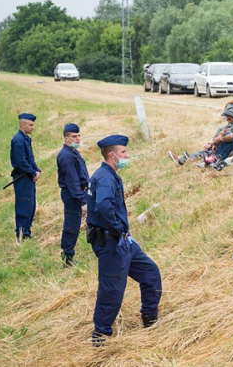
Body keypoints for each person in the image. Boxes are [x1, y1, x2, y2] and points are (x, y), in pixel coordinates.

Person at [87, 135, 162, 346]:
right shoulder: (104, 177)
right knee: (111, 291)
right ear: (112, 155)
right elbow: (102, 206)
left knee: (150, 273)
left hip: (123, 242)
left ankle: (150, 320)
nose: (126, 156)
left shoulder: (110, 175)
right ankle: (100, 338)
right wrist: (118, 228)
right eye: (123, 152)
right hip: (111, 244)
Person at [56, 123, 89, 266]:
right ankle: (67, 258)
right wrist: (82, 200)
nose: (77, 139)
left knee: (74, 225)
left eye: (79, 135)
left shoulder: (73, 152)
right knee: (71, 226)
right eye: (74, 136)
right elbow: (72, 181)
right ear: (66, 138)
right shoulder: (66, 156)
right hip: (72, 195)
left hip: (79, 192)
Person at [10, 113, 41, 241]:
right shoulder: (18, 140)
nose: (33, 127)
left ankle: (27, 231)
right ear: (23, 125)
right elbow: (21, 162)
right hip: (22, 177)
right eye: (31, 125)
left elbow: (30, 158)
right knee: (24, 205)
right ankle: (21, 235)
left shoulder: (25, 139)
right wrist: (32, 173)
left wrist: (36, 169)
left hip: (28, 177)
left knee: (31, 205)